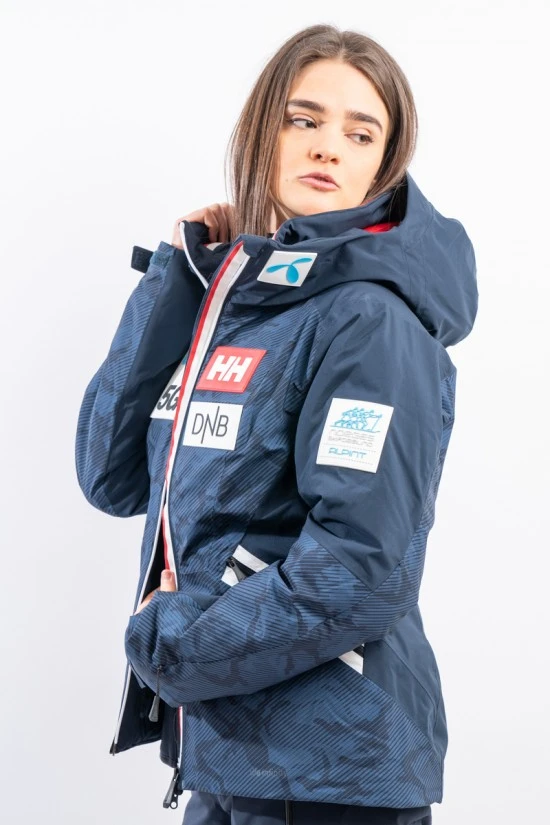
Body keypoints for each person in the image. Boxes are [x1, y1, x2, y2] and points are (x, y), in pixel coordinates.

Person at [75, 23, 477, 825]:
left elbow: (360, 568)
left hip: (331, 775)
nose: (328, 145)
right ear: (265, 130)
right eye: (305, 119)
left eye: (360, 133)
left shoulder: (371, 323)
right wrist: (177, 279)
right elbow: (109, 476)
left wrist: (177, 646)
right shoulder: (248, 311)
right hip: (229, 754)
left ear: (385, 165)